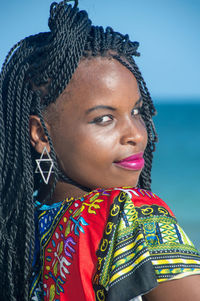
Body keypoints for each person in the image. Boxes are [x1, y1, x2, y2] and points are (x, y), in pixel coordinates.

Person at [0, 1, 200, 300]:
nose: (136, 134)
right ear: (41, 133)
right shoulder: (133, 216)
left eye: (137, 111)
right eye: (104, 119)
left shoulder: (17, 234)